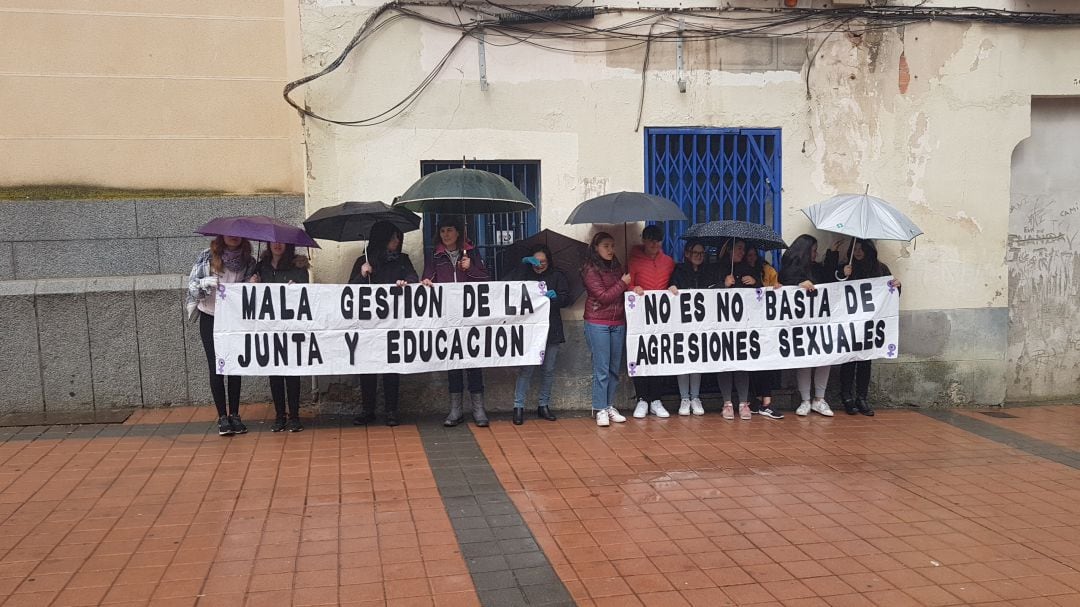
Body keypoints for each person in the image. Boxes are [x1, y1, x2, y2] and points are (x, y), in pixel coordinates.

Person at [421, 215, 491, 427]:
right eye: (443, 231)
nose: (446, 234)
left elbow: (485, 279)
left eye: (450, 230)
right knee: (452, 362)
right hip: (447, 317)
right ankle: (456, 409)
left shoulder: (471, 252)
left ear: (458, 232)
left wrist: (470, 268)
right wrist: (425, 281)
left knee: (473, 362)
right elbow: (428, 277)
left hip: (469, 317)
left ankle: (478, 409)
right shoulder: (434, 255)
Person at [186, 235, 257, 437]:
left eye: (237, 235)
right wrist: (204, 284)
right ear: (222, 236)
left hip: (234, 319)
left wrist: (251, 283)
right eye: (229, 234)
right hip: (210, 317)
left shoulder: (249, 261)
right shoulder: (206, 257)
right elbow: (192, 287)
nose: (233, 237)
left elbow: (248, 296)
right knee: (216, 365)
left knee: (234, 366)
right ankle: (222, 416)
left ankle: (235, 414)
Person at [350, 221, 418, 427]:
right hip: (368, 324)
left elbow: (413, 277)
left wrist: (405, 282)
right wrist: (362, 275)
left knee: (391, 366)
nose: (397, 241)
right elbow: (349, 290)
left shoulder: (403, 260)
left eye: (398, 237)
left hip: (393, 323)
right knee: (367, 367)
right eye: (393, 237)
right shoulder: (364, 261)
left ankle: (391, 410)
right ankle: (367, 409)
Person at [505, 244, 571, 425]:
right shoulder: (525, 274)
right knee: (526, 370)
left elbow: (566, 299)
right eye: (536, 261)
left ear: (549, 261)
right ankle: (518, 406)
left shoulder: (557, 276)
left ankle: (544, 404)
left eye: (543, 261)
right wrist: (523, 264)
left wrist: (556, 297)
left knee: (548, 370)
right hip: (530, 330)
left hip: (551, 329)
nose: (539, 265)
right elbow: (511, 286)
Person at [835, 239, 901, 416]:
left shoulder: (880, 269)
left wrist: (897, 287)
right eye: (854, 248)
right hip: (849, 322)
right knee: (849, 360)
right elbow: (833, 289)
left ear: (868, 250)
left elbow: (889, 294)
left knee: (865, 360)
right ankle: (847, 396)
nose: (857, 252)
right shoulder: (847, 267)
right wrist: (842, 274)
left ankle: (861, 397)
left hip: (870, 323)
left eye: (861, 249)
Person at [778, 234, 840, 417]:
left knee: (824, 359)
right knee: (804, 360)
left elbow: (831, 280)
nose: (816, 254)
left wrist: (833, 255)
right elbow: (782, 286)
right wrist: (798, 284)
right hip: (800, 325)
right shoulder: (789, 270)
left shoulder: (818, 269)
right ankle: (805, 399)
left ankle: (819, 399)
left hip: (821, 324)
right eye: (813, 250)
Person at [251, 242, 310, 432]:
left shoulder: (299, 268)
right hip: (269, 327)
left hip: (291, 327)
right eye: (273, 241)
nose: (277, 245)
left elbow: (307, 293)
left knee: (292, 372)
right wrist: (253, 284)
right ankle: (279, 416)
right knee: (275, 372)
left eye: (281, 241)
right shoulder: (261, 267)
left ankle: (294, 416)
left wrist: (297, 287)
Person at [582, 232, 631, 427]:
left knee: (613, 369)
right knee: (601, 368)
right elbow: (603, 297)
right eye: (606, 246)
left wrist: (628, 285)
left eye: (612, 245)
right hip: (597, 322)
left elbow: (621, 292)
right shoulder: (589, 269)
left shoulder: (617, 266)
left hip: (618, 321)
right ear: (596, 248)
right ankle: (599, 407)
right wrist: (623, 283)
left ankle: (609, 405)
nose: (610, 250)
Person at [627, 225, 676, 419]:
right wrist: (634, 288)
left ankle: (656, 399)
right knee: (640, 355)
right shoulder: (634, 261)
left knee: (659, 356)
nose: (654, 244)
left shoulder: (668, 262)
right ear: (644, 241)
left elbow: (673, 281)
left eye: (658, 240)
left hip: (661, 318)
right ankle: (642, 399)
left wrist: (673, 287)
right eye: (651, 240)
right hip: (640, 317)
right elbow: (627, 283)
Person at [667, 241, 716, 416]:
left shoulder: (708, 272)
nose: (698, 256)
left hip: (702, 324)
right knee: (683, 360)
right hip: (682, 324)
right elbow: (671, 286)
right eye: (695, 252)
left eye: (702, 253)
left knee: (697, 360)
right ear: (687, 254)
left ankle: (695, 397)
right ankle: (684, 398)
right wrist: (671, 287)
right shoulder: (679, 270)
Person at [717, 239, 761, 421]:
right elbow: (706, 293)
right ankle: (727, 402)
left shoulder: (748, 269)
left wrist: (755, 282)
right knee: (725, 363)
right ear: (729, 250)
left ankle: (743, 402)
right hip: (722, 326)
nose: (742, 252)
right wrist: (723, 285)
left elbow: (760, 296)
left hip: (744, 325)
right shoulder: (718, 268)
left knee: (742, 362)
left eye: (744, 249)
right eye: (739, 248)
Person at [744, 247, 784, 420]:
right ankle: (756, 400)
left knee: (765, 360)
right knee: (752, 363)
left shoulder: (767, 270)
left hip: (765, 325)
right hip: (747, 324)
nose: (751, 258)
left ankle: (766, 402)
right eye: (748, 255)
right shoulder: (738, 271)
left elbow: (771, 291)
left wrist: (771, 287)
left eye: (754, 254)